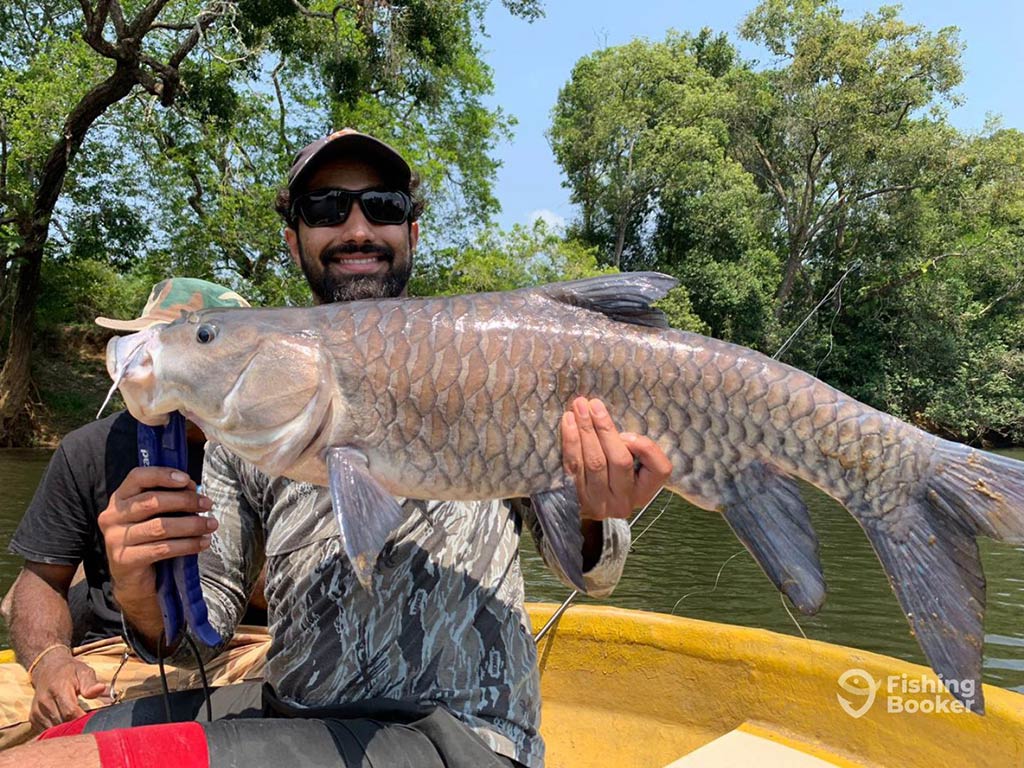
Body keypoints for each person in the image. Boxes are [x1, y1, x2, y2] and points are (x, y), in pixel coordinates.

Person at [2, 131, 672, 768]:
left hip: (454, 736)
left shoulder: (489, 359)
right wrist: (137, 583)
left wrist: (593, 511)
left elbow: (598, 571)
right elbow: (195, 633)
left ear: (411, 230)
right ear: (295, 241)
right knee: (70, 733)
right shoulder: (247, 412)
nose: (356, 228)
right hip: (295, 714)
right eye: (326, 208)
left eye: (381, 207)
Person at [0, 279, 269, 749]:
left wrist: (239, 555)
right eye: (156, 350)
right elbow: (40, 580)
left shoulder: (279, 452)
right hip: (109, 656)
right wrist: (51, 662)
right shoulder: (86, 450)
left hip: (243, 651)